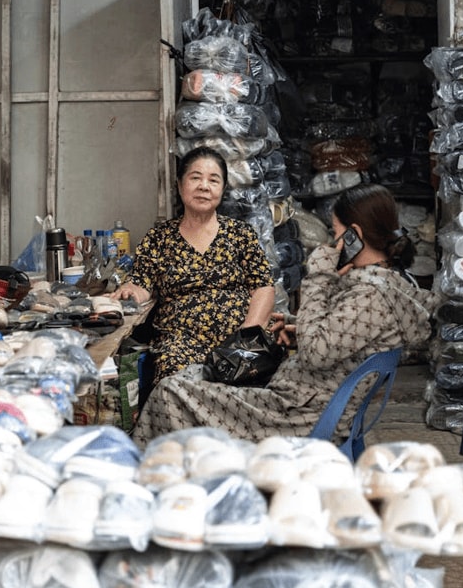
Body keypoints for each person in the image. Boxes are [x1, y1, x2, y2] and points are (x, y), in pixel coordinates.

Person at [132, 183, 438, 447]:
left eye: (336, 232)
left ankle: (147, 482)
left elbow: (318, 353)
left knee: (171, 392)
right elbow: (342, 334)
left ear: (354, 235)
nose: (333, 241)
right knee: (188, 375)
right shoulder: (383, 284)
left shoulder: (371, 295)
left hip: (296, 415)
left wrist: (318, 276)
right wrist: (296, 326)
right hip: (299, 397)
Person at [113, 146, 275, 382]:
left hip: (238, 335)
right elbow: (142, 284)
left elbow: (263, 287)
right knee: (176, 378)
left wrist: (246, 336)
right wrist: (130, 291)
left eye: (213, 180)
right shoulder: (159, 237)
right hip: (181, 340)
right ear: (180, 185)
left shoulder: (240, 234)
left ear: (222, 189)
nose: (204, 186)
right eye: (195, 178)